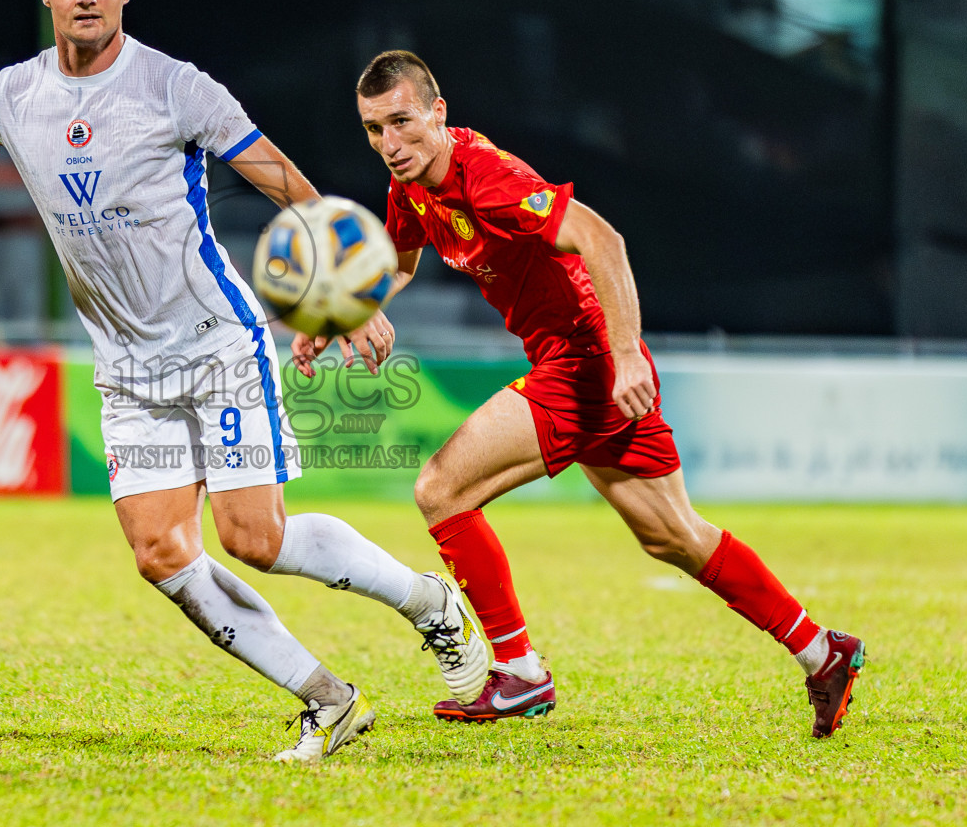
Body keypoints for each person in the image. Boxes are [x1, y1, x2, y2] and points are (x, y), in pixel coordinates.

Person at [0, 0, 488, 762]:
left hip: (217, 342)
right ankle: (327, 700)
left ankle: (427, 602)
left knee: (256, 538)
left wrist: (350, 292)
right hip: (128, 368)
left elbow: (286, 182)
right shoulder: (9, 97)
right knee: (161, 554)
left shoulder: (177, 88)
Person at [300, 49, 864, 738]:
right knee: (673, 536)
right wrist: (338, 316)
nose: (390, 144)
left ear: (438, 112)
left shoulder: (490, 180)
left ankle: (520, 674)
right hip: (572, 359)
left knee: (441, 490)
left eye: (403, 122)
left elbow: (604, 239)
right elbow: (403, 259)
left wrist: (626, 355)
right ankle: (821, 651)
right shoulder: (412, 187)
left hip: (586, 360)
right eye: (373, 129)